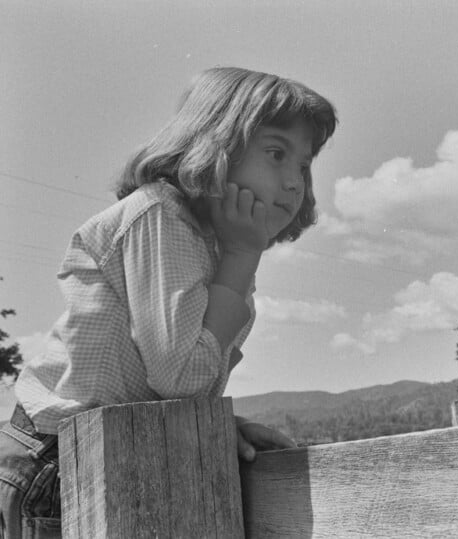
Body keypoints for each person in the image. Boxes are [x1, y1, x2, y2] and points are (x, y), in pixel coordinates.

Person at [0, 66, 337, 537]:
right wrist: (242, 257)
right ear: (214, 144)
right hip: (60, 462)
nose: (295, 182)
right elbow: (182, 376)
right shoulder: (162, 217)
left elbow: (183, 378)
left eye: (303, 164)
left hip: (115, 449)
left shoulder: (217, 244)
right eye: (276, 153)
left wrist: (214, 427)